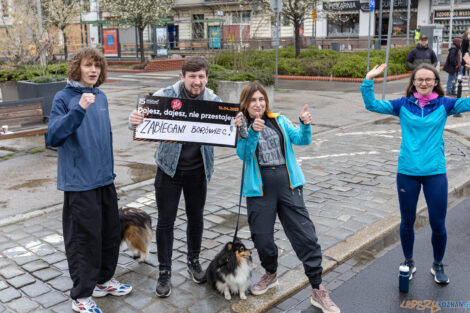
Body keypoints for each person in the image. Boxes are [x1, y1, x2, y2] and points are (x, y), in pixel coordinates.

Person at [233, 82, 340, 313]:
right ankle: (271, 274)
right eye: (253, 100)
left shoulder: (279, 120)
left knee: (305, 236)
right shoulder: (241, 126)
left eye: (261, 99)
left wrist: (304, 124)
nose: (258, 104)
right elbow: (244, 155)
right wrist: (252, 132)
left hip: (288, 184)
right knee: (262, 239)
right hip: (259, 190)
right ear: (245, 104)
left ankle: (318, 289)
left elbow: (302, 139)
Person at [361, 63, 470, 286]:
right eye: (419, 79)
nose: (423, 83)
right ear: (413, 82)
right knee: (407, 220)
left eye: (429, 79)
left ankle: (437, 264)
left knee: (438, 223)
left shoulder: (445, 104)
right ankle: (409, 261)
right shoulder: (402, 105)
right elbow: (371, 104)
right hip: (407, 172)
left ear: (436, 82)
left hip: (435, 172)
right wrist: (369, 79)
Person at [47, 47, 132, 313]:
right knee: (85, 240)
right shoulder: (64, 97)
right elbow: (52, 138)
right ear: (77, 68)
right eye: (88, 65)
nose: (93, 70)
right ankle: (81, 295)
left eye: (97, 66)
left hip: (104, 179)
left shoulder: (101, 96)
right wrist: (78, 110)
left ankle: (103, 281)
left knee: (109, 233)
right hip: (79, 183)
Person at [129, 56, 221, 298]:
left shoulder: (213, 100)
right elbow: (138, 120)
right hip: (169, 169)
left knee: (196, 218)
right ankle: (164, 271)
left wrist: (238, 124)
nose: (197, 81)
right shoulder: (166, 95)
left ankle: (193, 261)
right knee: (166, 222)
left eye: (201, 76)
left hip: (198, 171)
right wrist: (134, 120)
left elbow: (230, 129)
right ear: (182, 77)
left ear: (207, 78)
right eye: (192, 76)